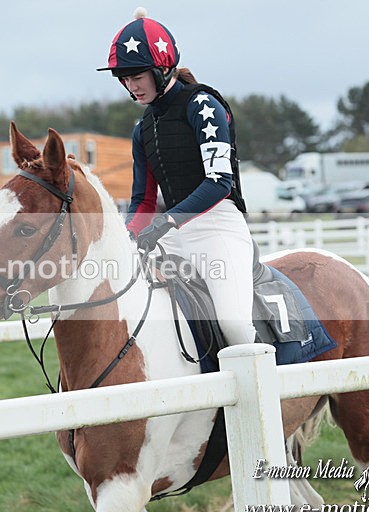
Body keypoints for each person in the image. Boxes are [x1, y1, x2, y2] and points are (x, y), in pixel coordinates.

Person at [98, 8, 256, 346]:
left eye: (136, 76)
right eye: (123, 79)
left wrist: (167, 221)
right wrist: (127, 238)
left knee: (235, 325)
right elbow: (143, 200)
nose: (130, 86)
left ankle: (261, 395)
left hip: (218, 227)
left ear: (161, 68)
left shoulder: (203, 106)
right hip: (170, 233)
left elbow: (219, 182)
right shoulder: (142, 129)